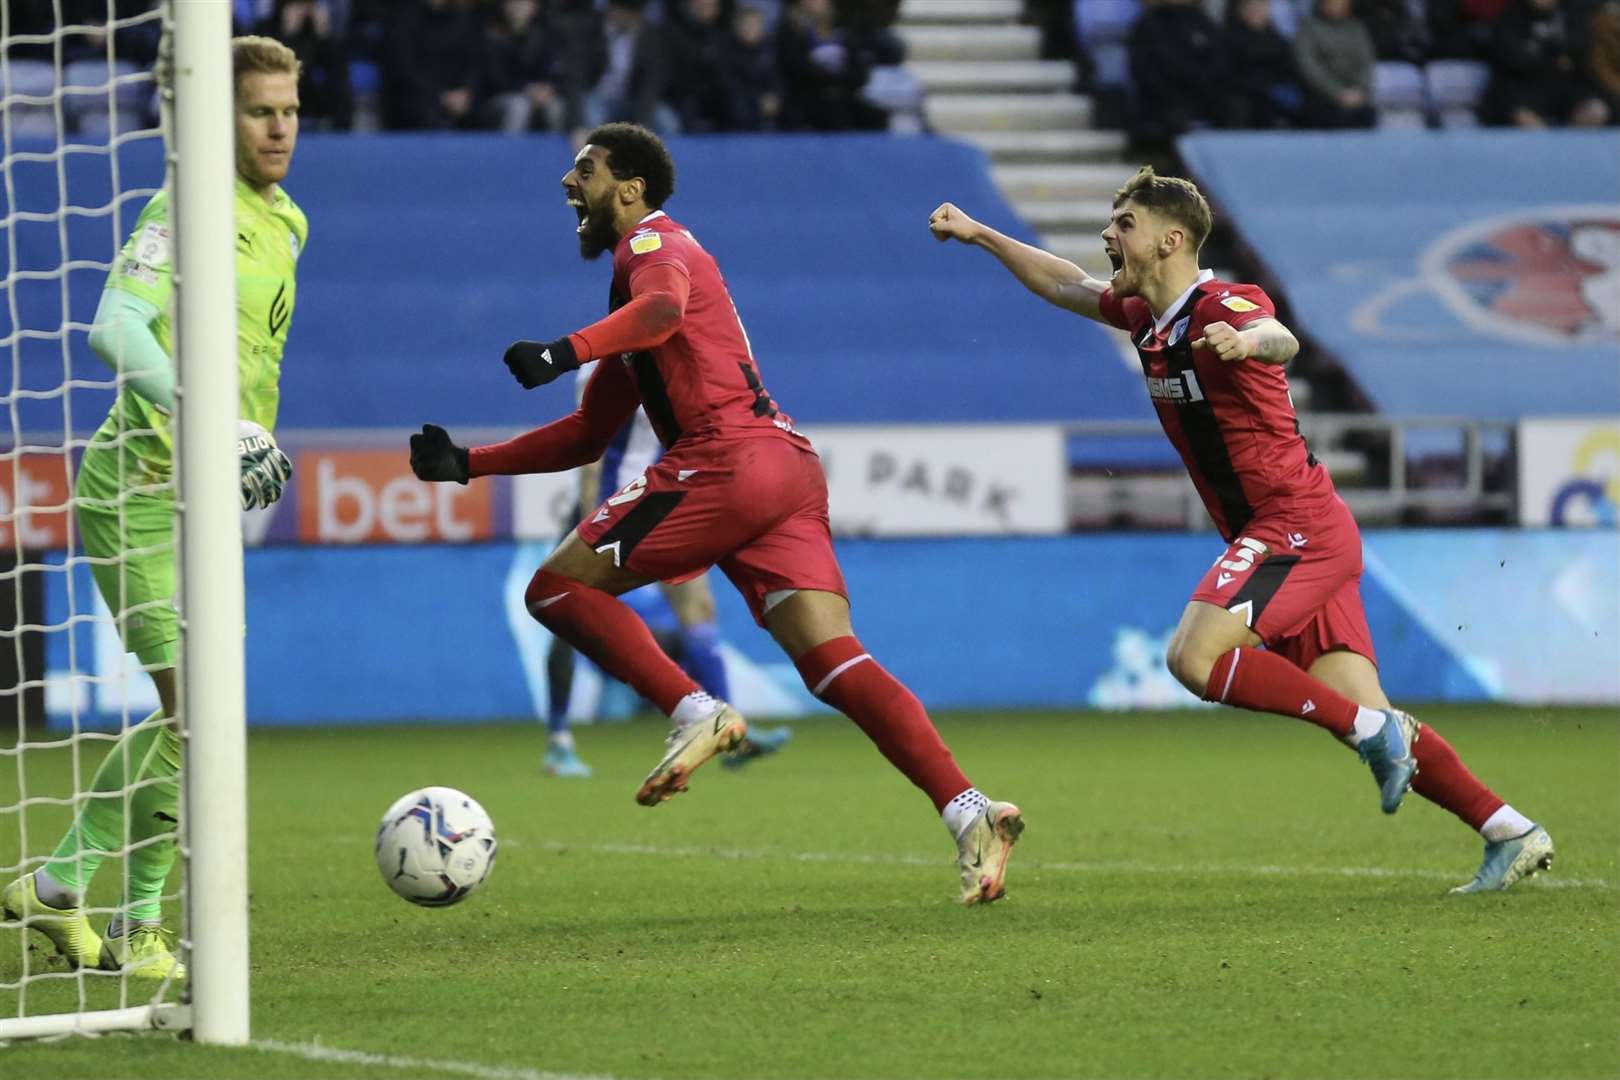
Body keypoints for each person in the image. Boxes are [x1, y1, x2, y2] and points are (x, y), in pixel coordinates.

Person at [409, 123, 1021, 904]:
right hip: (787, 470)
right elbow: (591, 432)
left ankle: (694, 709)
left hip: (723, 459)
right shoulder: (641, 290)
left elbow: (662, 307)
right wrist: (469, 464)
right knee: (835, 663)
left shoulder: (653, 247)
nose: (569, 183)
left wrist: (565, 351)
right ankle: (970, 811)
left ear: (629, 188)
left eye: (584, 170)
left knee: (556, 590)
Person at [927, 168, 1553, 894]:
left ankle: (1372, 736)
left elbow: (1278, 333)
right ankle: (1510, 830)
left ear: (1171, 239)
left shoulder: (1222, 303)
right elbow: (1064, 284)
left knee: (1194, 658)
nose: (1108, 234)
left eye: (1123, 223)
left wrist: (1250, 344)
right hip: (1289, 531)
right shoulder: (1146, 318)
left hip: (1296, 528)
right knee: (1370, 714)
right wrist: (979, 235)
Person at [1, 36, 306, 976]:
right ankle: (65, 891)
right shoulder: (183, 207)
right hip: (136, 492)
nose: (281, 127)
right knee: (195, 713)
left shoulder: (287, 219)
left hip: (205, 501)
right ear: (221, 117)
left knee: (203, 718)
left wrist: (245, 439)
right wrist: (205, 416)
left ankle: (123, 924)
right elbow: (112, 324)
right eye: (261, 111)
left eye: (291, 110)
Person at [541, 368, 792, 778]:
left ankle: (732, 734)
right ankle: (558, 742)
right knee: (565, 616)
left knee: (698, 608)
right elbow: (593, 449)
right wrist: (590, 522)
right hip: (603, 508)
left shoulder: (675, 362)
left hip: (654, 503)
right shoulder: (604, 365)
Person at [1293, 0, 1378, 128]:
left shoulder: (1356, 27)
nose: (1336, 6)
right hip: (1322, 96)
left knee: (1368, 115)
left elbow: (1366, 62)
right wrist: (1337, 93)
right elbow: (1310, 68)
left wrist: (1360, 90)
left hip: (1357, 95)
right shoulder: (1309, 28)